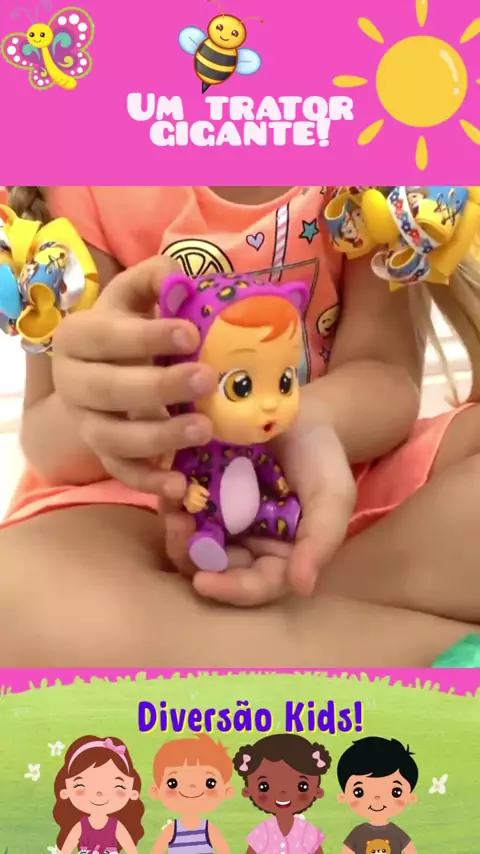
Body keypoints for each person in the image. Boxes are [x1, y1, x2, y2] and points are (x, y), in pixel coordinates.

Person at [0, 185, 479, 666]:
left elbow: (385, 373)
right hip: (139, 506)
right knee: (17, 599)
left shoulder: (364, 160)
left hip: (337, 476)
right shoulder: (77, 180)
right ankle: (422, 650)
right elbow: (46, 438)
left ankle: (239, 634)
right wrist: (109, 410)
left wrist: (301, 422)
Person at [233, 733, 331, 854]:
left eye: (302, 786)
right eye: (264, 787)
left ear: (317, 791)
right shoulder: (264, 831)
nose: (283, 792)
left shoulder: (307, 832)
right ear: (248, 791)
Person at [53, 735, 145, 854]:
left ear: (132, 792)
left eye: (117, 786)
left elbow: (131, 850)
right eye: (81, 785)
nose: (99, 793)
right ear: (65, 792)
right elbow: (66, 850)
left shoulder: (116, 826)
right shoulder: (81, 826)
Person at [149, 733, 234, 854]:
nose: (192, 787)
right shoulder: (172, 830)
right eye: (173, 783)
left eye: (210, 783)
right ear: (156, 791)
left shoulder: (209, 829)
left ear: (227, 791)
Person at [337, 736, 419, 854]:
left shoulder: (396, 833)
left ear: (411, 797)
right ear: (343, 796)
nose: (377, 798)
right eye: (359, 792)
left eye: (395, 792)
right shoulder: (358, 833)